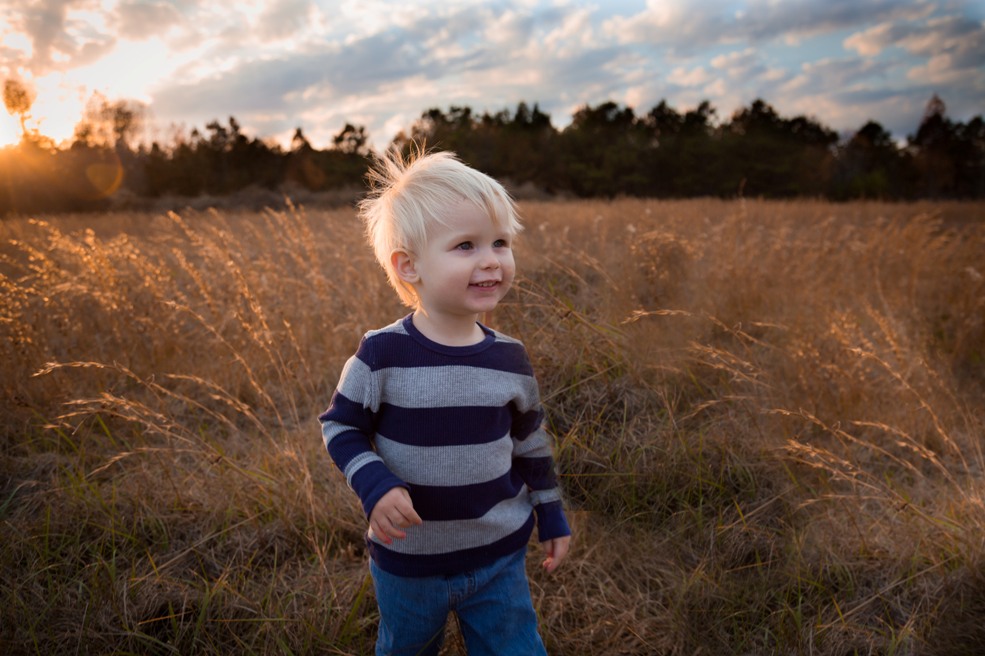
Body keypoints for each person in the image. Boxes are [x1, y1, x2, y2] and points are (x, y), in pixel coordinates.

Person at [319, 147, 571, 656]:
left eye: (500, 242)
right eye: (465, 245)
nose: (490, 260)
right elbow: (340, 427)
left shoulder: (510, 359)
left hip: (497, 557)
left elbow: (530, 443)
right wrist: (375, 484)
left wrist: (551, 512)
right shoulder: (382, 353)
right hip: (409, 560)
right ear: (409, 265)